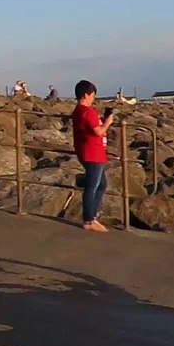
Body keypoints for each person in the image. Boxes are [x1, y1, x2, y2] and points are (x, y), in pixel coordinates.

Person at [71, 79, 114, 233]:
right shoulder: (88, 112)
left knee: (101, 184)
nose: (93, 98)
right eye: (92, 95)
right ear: (85, 95)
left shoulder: (78, 111)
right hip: (93, 153)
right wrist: (108, 122)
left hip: (85, 151)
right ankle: (89, 219)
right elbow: (98, 131)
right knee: (92, 186)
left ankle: (92, 215)